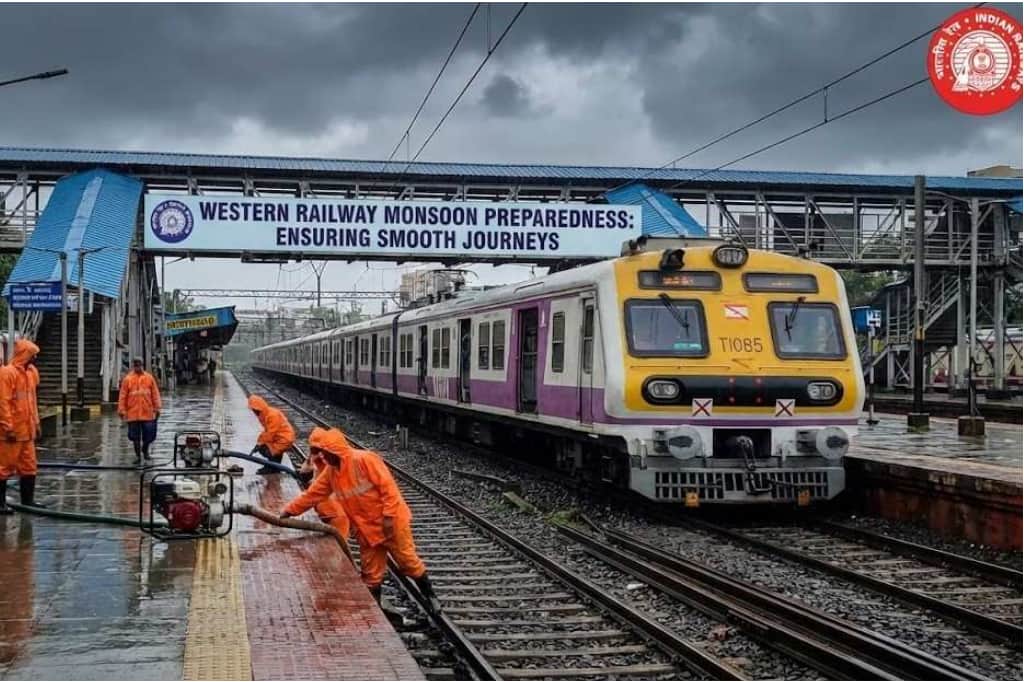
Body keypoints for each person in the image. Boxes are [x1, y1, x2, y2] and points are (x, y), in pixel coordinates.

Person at [280, 427, 440, 613]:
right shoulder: (332, 472)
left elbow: (389, 490)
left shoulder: (364, 460)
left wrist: (388, 517)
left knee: (408, 562)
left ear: (335, 451)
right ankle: (376, 610)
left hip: (391, 524)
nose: (322, 457)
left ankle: (430, 596)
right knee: (371, 573)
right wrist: (289, 511)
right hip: (367, 530)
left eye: (325, 452)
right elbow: (313, 495)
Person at [0, 339, 43, 511]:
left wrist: (37, 423)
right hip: (12, 432)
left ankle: (28, 501)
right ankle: (0, 503)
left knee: (29, 467)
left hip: (27, 431)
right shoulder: (7, 374)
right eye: (33, 355)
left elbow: (32, 401)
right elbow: (3, 403)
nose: (35, 358)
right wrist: (7, 427)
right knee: (4, 467)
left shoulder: (30, 374)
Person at [297, 427, 350, 540]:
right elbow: (308, 477)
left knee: (339, 532)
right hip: (327, 505)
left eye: (317, 450)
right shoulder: (323, 460)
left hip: (332, 507)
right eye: (314, 450)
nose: (319, 455)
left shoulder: (332, 462)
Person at [118, 357, 162, 461]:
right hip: (133, 413)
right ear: (134, 366)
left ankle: (145, 450)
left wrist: (158, 408)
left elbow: (155, 394)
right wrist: (121, 410)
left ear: (143, 365)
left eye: (140, 364)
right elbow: (122, 396)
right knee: (135, 437)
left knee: (150, 435)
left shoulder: (149, 378)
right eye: (136, 365)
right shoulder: (128, 379)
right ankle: (138, 456)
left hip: (147, 413)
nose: (138, 367)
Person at [247, 395, 295, 475]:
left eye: (255, 409)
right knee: (268, 448)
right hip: (280, 438)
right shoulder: (265, 414)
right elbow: (267, 431)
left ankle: (272, 468)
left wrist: (260, 444)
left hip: (284, 439)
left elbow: (271, 433)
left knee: (264, 449)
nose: (254, 412)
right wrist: (259, 441)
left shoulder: (272, 415)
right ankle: (273, 467)